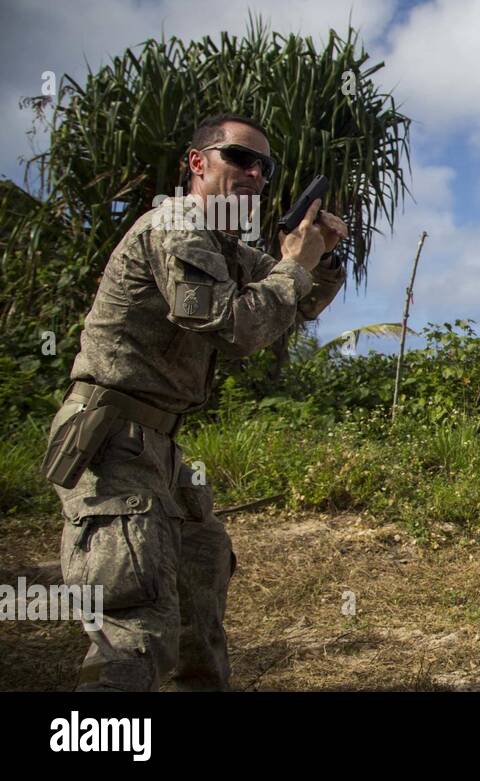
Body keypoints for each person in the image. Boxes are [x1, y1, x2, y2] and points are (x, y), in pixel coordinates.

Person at [43, 113, 348, 690]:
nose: (255, 173)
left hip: (160, 443)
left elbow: (297, 302)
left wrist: (321, 259)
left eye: (265, 164)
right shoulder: (176, 227)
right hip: (113, 438)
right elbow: (237, 327)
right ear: (198, 163)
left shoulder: (222, 245)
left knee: (199, 582)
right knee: (135, 623)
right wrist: (293, 266)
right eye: (239, 157)